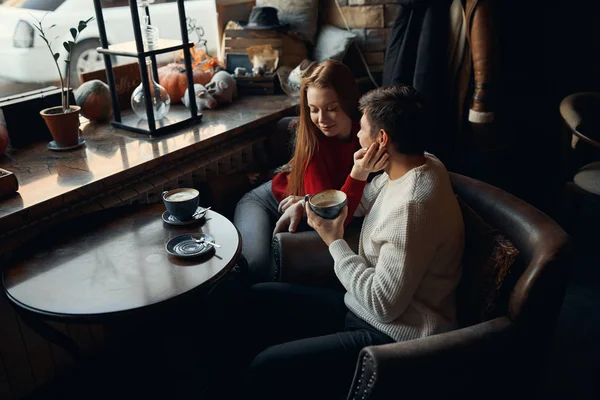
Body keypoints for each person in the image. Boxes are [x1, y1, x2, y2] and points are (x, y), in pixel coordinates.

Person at [235, 84, 465, 400]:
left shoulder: (413, 206)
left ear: (381, 139)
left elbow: (383, 305)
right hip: (360, 308)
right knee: (257, 298)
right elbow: (358, 204)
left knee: (265, 367)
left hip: (393, 334)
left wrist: (334, 242)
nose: (358, 136)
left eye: (363, 129)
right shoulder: (418, 164)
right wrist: (352, 176)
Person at [233, 60, 371, 283]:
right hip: (263, 202)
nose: (322, 120)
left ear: (348, 101)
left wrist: (308, 202)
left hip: (299, 202)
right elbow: (331, 220)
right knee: (253, 268)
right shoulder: (313, 143)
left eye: (331, 108)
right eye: (313, 110)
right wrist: (311, 202)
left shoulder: (366, 132)